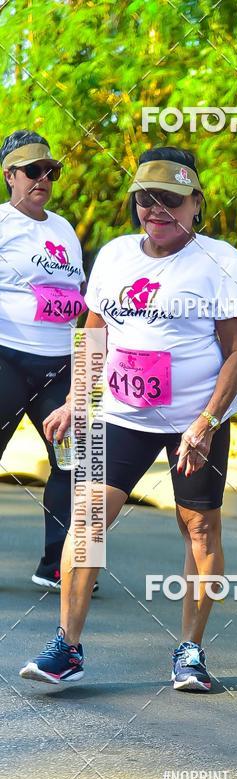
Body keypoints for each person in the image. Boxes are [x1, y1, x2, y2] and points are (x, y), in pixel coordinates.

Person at [20, 146, 237, 691]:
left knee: (199, 527)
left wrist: (207, 421)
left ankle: (191, 651)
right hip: (122, 413)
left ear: (196, 203)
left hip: (195, 418)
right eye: (146, 199)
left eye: (171, 199)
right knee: (88, 520)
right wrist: (76, 399)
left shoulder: (220, 261)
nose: (157, 210)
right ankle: (67, 647)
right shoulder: (116, 255)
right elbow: (94, 333)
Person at [0, 130, 90, 591]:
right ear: (9, 175)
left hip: (59, 366)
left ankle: (60, 564)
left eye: (51, 171)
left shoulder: (64, 228)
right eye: (32, 171)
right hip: (7, 359)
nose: (43, 179)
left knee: (77, 459)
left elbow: (78, 295)